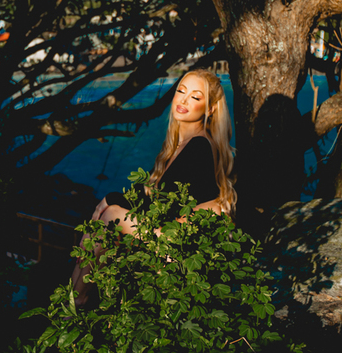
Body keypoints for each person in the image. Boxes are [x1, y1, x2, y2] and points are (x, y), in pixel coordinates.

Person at [71, 69, 236, 305]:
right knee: (100, 226)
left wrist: (109, 200)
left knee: (111, 216)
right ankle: (74, 302)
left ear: (210, 109)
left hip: (176, 245)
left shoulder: (199, 147)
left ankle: (76, 303)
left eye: (195, 97)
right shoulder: (178, 147)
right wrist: (109, 202)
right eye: (181, 91)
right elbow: (145, 196)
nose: (184, 100)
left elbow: (174, 204)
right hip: (163, 237)